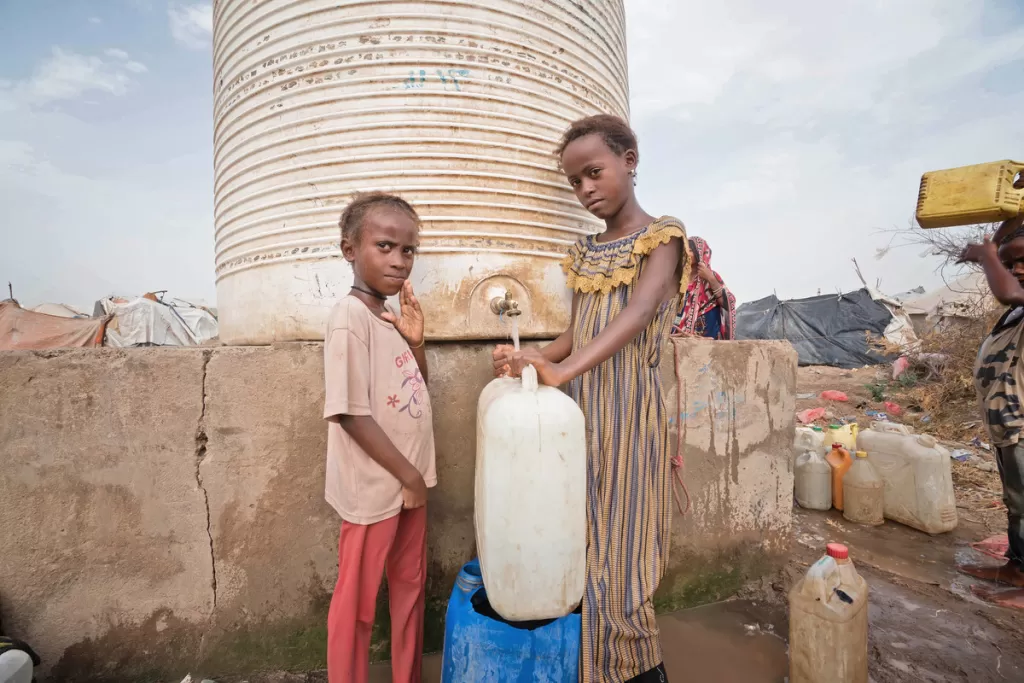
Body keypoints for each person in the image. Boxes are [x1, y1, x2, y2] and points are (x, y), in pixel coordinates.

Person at [493, 114, 692, 683]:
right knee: (584, 533)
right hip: (579, 412)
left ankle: (635, 668)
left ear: (630, 160)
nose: (586, 190)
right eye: (575, 182)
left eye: (594, 173)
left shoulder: (664, 237)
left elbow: (639, 312)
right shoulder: (583, 253)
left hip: (630, 411)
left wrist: (560, 370)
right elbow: (578, 332)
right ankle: (592, 664)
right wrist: (531, 357)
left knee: (628, 540)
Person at [323, 192, 435, 683]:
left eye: (408, 250)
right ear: (350, 250)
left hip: (411, 484)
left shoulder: (387, 317)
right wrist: (409, 476)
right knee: (358, 605)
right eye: (385, 246)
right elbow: (350, 413)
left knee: (410, 587)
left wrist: (416, 343)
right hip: (378, 488)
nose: (398, 260)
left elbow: (417, 390)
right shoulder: (348, 318)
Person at [959, 213, 1024, 600]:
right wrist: (1014, 212)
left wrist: (988, 256)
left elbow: (1007, 291)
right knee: (1017, 501)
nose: (1016, 270)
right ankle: (1017, 568)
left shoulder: (1015, 298)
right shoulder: (1016, 309)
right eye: (1011, 263)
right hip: (1008, 424)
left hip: (1021, 424)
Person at [672, 236, 736, 339]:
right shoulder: (678, 278)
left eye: (691, 250)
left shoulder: (711, 276)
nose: (687, 253)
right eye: (685, 249)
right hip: (678, 337)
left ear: (701, 254)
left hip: (707, 340)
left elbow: (729, 303)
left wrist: (710, 278)